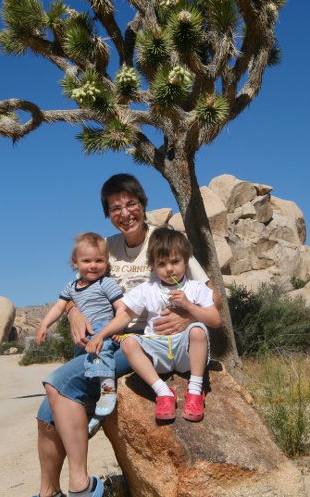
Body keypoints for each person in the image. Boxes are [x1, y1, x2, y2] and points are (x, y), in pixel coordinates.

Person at [34, 174, 219, 497]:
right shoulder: (106, 248)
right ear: (108, 214)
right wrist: (73, 313)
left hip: (137, 341)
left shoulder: (164, 244)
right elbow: (76, 291)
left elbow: (211, 296)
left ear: (143, 204)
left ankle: (82, 486)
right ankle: (48, 492)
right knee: (46, 415)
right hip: (103, 337)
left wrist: (186, 316)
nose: (125, 212)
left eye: (131, 203)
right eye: (115, 207)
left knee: (58, 383)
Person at [85, 228, 221, 422]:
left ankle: (195, 391)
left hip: (185, 353)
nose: (170, 269)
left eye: (175, 262)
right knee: (128, 342)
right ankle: (163, 392)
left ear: (185, 260)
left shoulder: (196, 288)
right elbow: (124, 316)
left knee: (198, 329)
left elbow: (215, 320)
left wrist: (189, 306)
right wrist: (101, 335)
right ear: (153, 266)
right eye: (162, 264)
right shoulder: (148, 289)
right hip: (157, 355)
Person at [34, 233, 124, 427]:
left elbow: (121, 307)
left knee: (102, 353)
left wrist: (118, 327)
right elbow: (59, 307)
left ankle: (108, 388)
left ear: (106, 262)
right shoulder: (71, 287)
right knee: (82, 365)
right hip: (81, 335)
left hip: (102, 328)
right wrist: (44, 324)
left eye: (99, 260)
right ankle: (90, 406)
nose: (93, 265)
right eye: (87, 260)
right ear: (75, 262)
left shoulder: (106, 283)